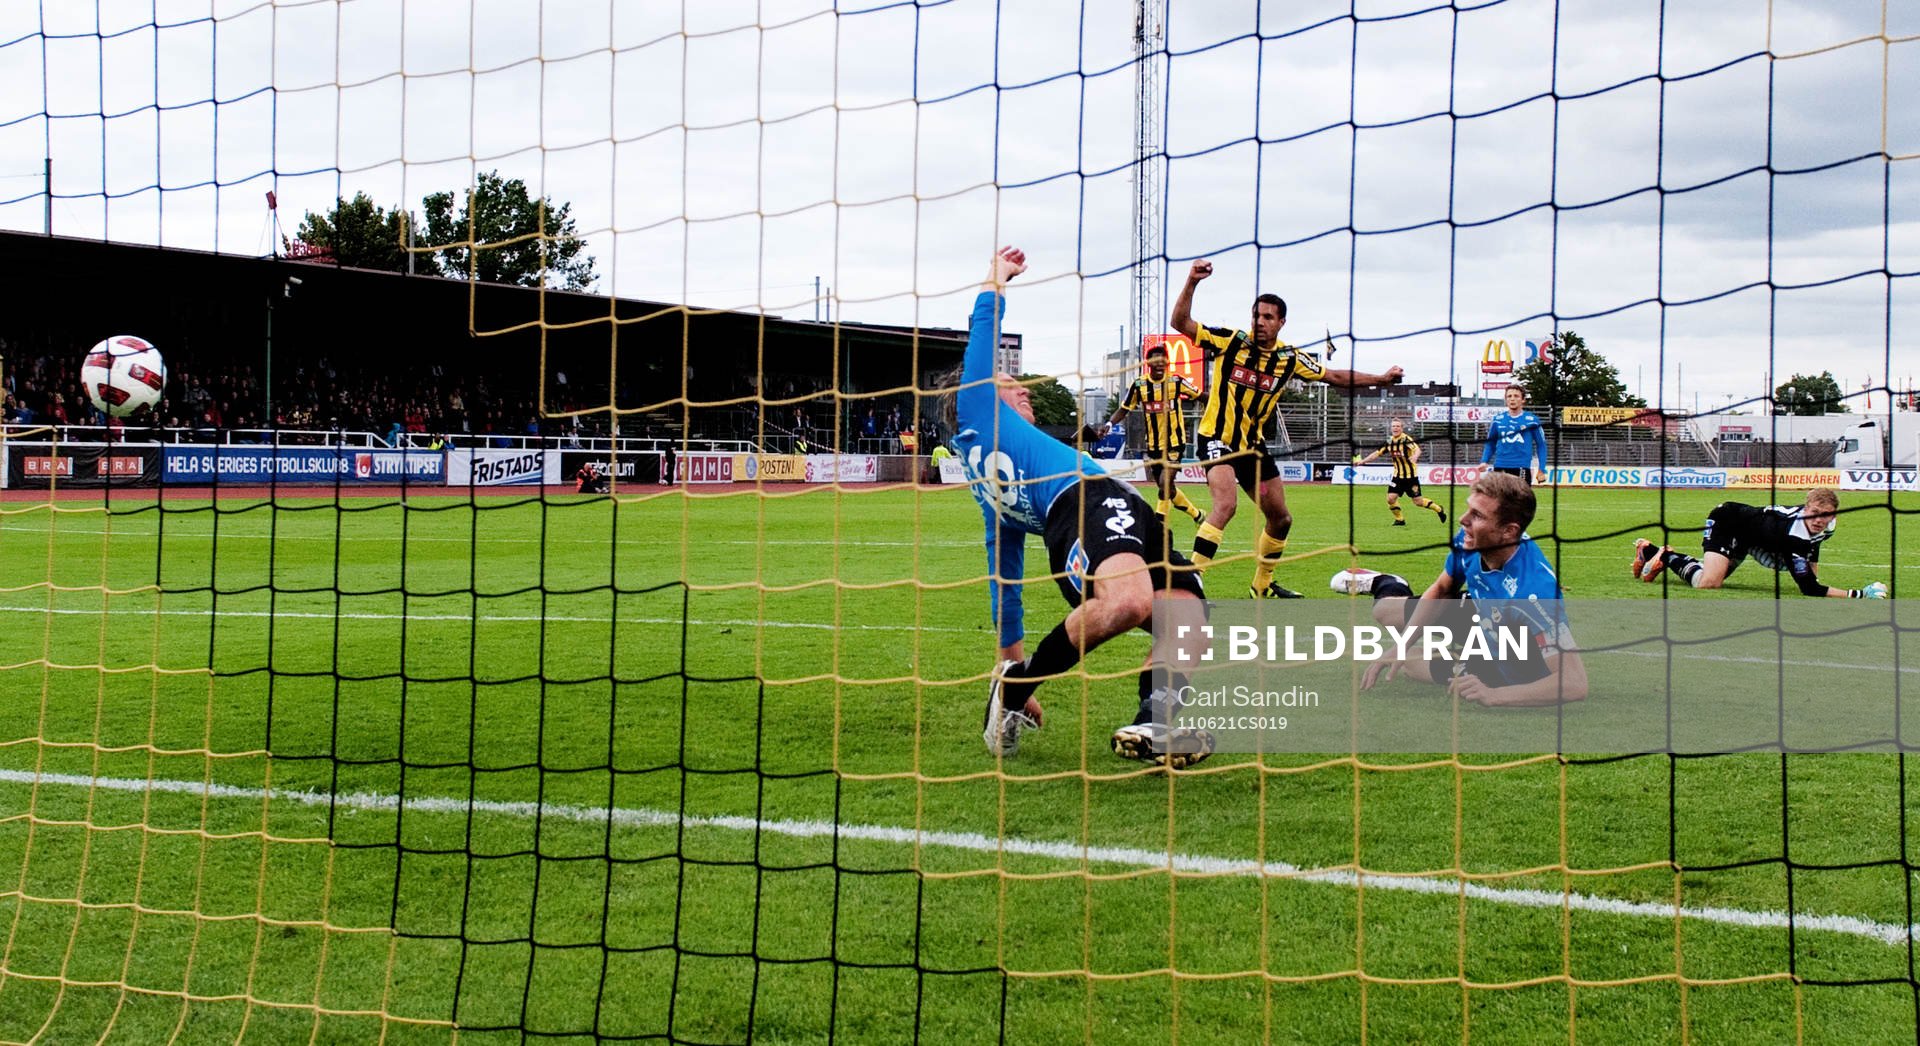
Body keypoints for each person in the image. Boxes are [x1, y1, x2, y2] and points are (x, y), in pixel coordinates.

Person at [942, 245, 1211, 767]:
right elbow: (981, 336)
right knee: (1131, 603)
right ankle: (1017, 689)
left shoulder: (991, 480)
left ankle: (1151, 722)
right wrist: (996, 276)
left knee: (1191, 620)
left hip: (1124, 510)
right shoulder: (978, 412)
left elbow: (1007, 584)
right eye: (1010, 387)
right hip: (1084, 503)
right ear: (978, 396)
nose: (1022, 392)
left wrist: (1008, 668)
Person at [1171, 258, 1406, 599]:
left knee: (1281, 519)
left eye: (1268, 317)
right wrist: (1192, 281)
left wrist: (1381, 378)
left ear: (1281, 322)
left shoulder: (1290, 359)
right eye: (1256, 315)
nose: (1260, 322)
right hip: (1218, 439)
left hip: (1252, 448)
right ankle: (1190, 584)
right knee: (1226, 505)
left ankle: (1261, 586)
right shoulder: (1229, 342)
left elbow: (1335, 376)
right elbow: (1180, 322)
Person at [1346, 472, 1587, 707]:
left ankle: (1463, 661)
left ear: (1509, 531)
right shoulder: (1469, 538)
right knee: (1385, 611)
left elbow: (1574, 683)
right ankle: (1385, 581)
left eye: (1477, 515)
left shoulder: (1535, 593)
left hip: (1511, 658)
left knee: (1410, 666)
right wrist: (1401, 645)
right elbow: (1442, 589)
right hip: (1482, 611)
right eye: (1468, 509)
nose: (1463, 520)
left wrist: (1495, 696)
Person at [1631, 488, 1887, 598]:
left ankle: (1649, 552)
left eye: (1825, 514)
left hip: (1751, 536)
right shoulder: (1793, 534)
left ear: (1833, 515)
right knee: (1708, 583)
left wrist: (1812, 569)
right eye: (1814, 512)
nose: (1819, 520)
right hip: (1728, 520)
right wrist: (1859, 594)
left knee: (1710, 576)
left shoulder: (1827, 526)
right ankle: (1662, 555)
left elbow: (1815, 541)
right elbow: (1809, 589)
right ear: (1805, 509)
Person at [1103, 343, 1205, 525]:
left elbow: (1200, 395)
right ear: (1148, 363)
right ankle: (1197, 515)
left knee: (1165, 484)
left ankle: (1158, 527)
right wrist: (1109, 424)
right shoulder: (1139, 385)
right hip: (1154, 445)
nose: (1159, 364)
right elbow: (1124, 409)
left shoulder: (1176, 382)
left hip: (1175, 443)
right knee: (1167, 489)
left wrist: (1223, 400)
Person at [1354, 417, 1447, 527]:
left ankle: (1439, 509)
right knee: (1390, 498)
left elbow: (1417, 450)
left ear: (1402, 428)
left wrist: (1415, 457)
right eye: (1393, 426)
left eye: (1398, 426)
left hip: (1411, 477)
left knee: (1418, 502)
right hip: (1397, 476)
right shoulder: (1389, 441)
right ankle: (1400, 519)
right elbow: (1377, 453)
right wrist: (1363, 461)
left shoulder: (1406, 439)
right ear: (1391, 428)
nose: (1395, 428)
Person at [1480, 386, 1549, 485]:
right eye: (1509, 396)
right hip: (1500, 467)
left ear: (1523, 400)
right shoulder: (1497, 420)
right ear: (1506, 399)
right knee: (1499, 500)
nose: (1512, 399)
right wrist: (1484, 461)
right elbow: (1491, 443)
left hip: (1521, 467)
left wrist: (1541, 469)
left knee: (1520, 500)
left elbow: (1541, 445)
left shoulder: (1532, 420)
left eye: (1516, 396)